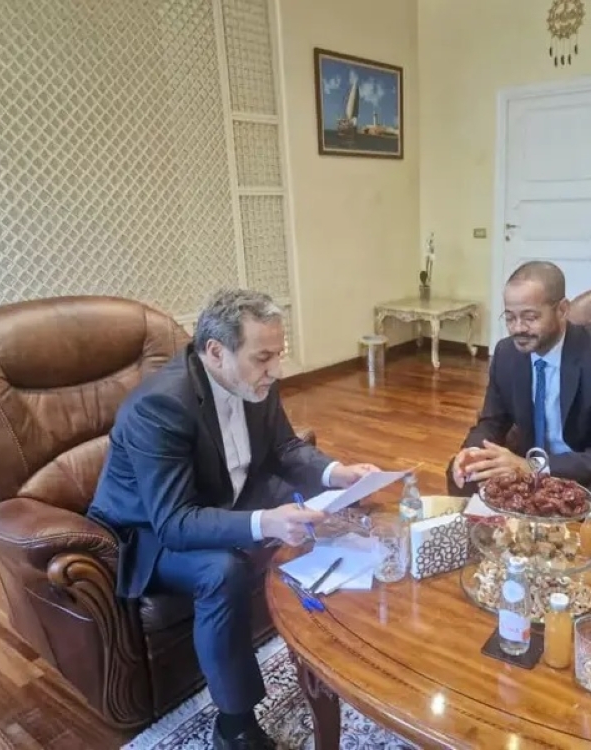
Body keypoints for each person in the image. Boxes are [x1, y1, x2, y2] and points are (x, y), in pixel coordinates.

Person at [88, 289, 379, 750]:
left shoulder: (254, 379)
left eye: (278, 354)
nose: (276, 369)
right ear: (216, 352)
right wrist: (266, 522)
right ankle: (234, 726)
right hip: (150, 530)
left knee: (341, 507)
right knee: (222, 571)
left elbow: (285, 448)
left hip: (226, 492)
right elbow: (175, 521)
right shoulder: (159, 407)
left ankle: (350, 643)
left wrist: (335, 473)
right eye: (264, 358)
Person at [448, 261, 591, 526]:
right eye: (510, 317)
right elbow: (491, 421)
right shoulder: (506, 354)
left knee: (589, 504)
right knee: (464, 477)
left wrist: (530, 467)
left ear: (562, 310)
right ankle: (496, 548)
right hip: (533, 463)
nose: (518, 328)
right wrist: (471, 454)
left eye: (530, 317)